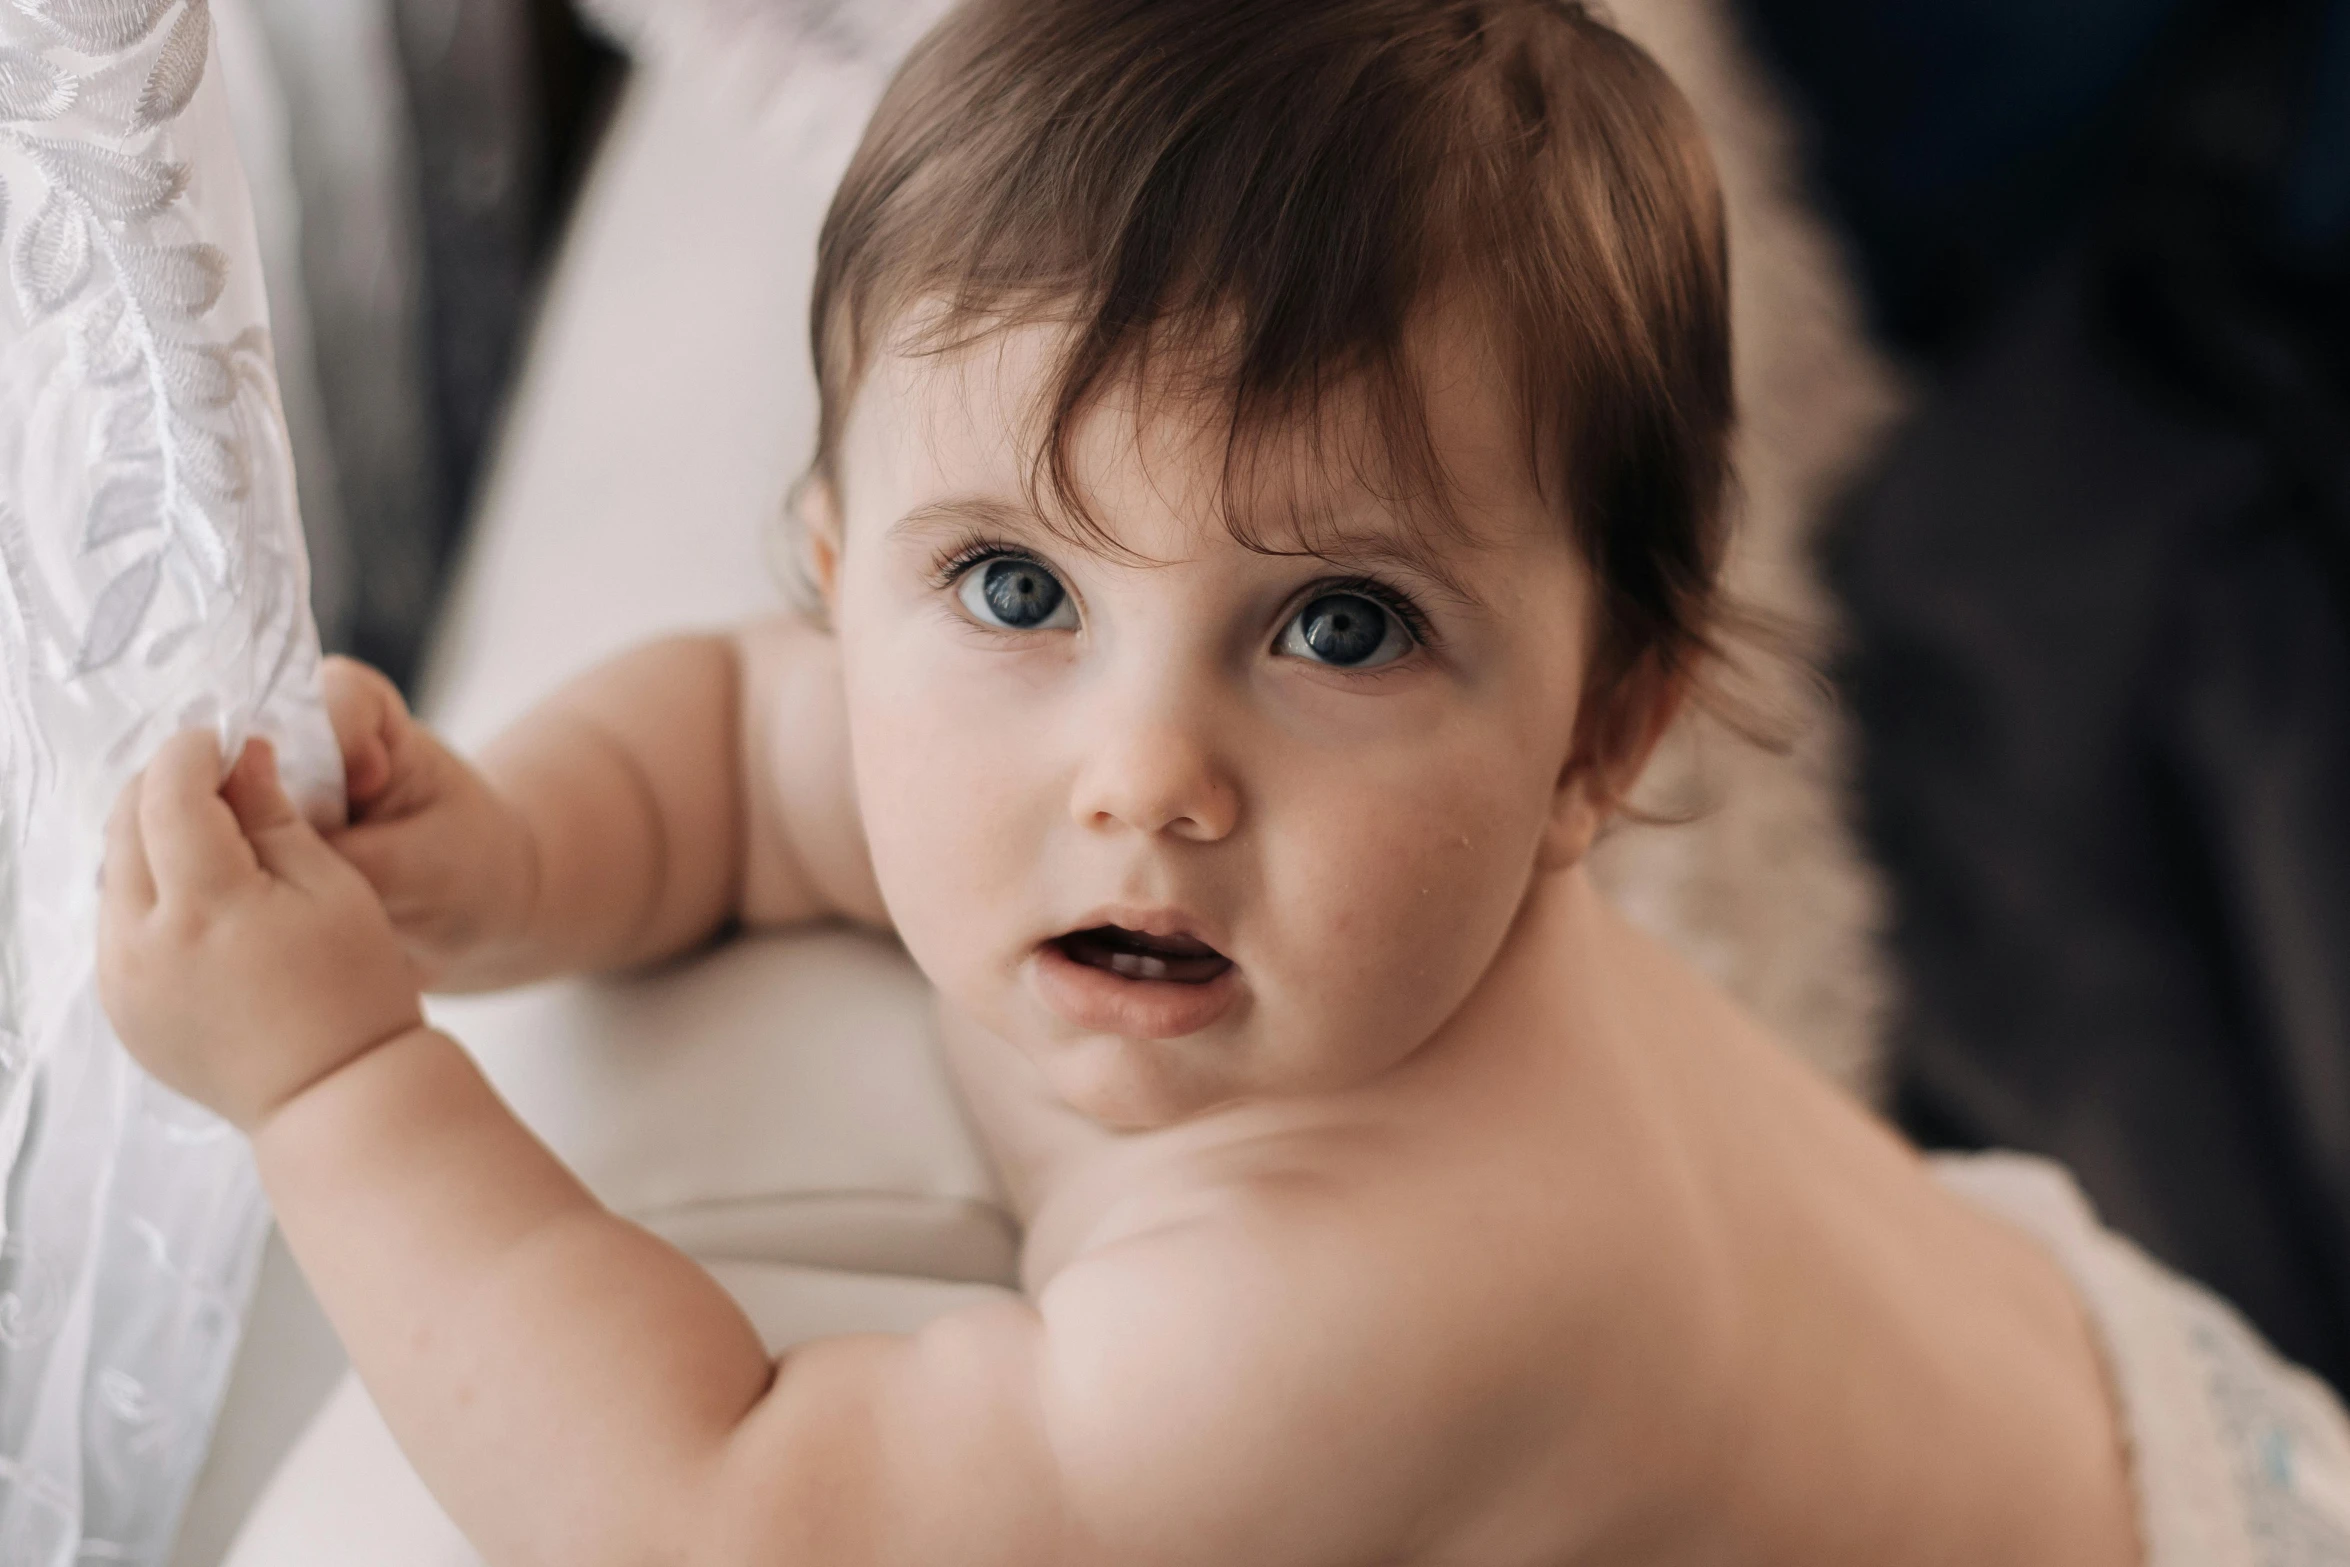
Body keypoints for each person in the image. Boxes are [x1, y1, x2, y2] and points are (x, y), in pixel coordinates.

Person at [92, 1, 2341, 1561]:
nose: (1144, 771)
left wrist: (332, 1081)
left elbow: (723, 1512)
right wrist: (496, 858)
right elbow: (740, 747)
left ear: (1599, 740)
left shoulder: (1328, 1309)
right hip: (2036, 1341)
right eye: (1006, 587)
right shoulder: (1074, 794)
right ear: (835, 565)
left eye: (1338, 629)